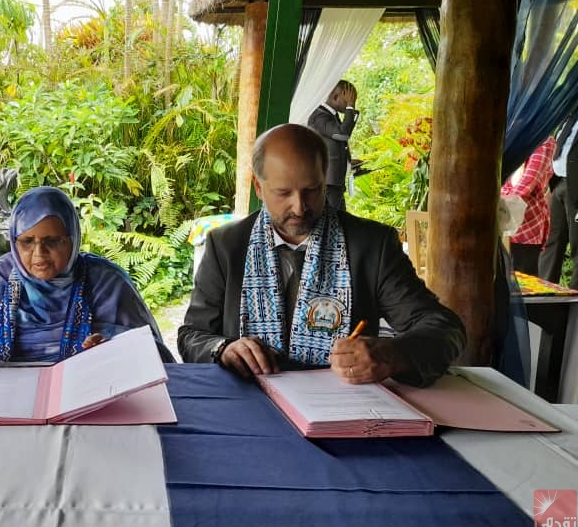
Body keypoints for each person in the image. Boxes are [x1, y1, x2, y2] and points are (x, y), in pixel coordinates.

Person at [178, 124, 465, 387]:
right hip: (248, 404)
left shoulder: (369, 246)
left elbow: (444, 328)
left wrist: (394, 354)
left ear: (325, 179)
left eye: (312, 190)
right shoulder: (227, 245)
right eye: (283, 193)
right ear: (258, 187)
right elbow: (193, 335)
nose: (299, 207)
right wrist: (224, 349)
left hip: (344, 412)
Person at [0, 186, 173, 375]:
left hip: (89, 400)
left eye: (53, 241)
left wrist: (115, 352)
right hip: (3, 403)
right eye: (27, 242)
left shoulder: (106, 282)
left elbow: (153, 356)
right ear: (14, 242)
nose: (39, 254)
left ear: (73, 238)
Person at [501, 136, 556, 276]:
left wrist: (497, 205)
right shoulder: (513, 135)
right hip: (500, 223)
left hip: (526, 227)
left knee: (522, 283)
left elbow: (527, 183)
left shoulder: (544, 141)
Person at [307, 80, 360, 211]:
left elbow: (331, 147)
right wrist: (350, 107)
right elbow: (342, 135)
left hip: (335, 182)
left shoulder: (332, 116)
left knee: (339, 219)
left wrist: (348, 162)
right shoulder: (319, 116)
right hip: (328, 182)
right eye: (347, 100)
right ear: (335, 97)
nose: (351, 104)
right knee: (333, 219)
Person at [539, 115, 578, 287]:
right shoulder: (568, 117)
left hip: (576, 187)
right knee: (552, 242)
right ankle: (544, 297)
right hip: (559, 184)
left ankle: (575, 309)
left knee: (577, 245)